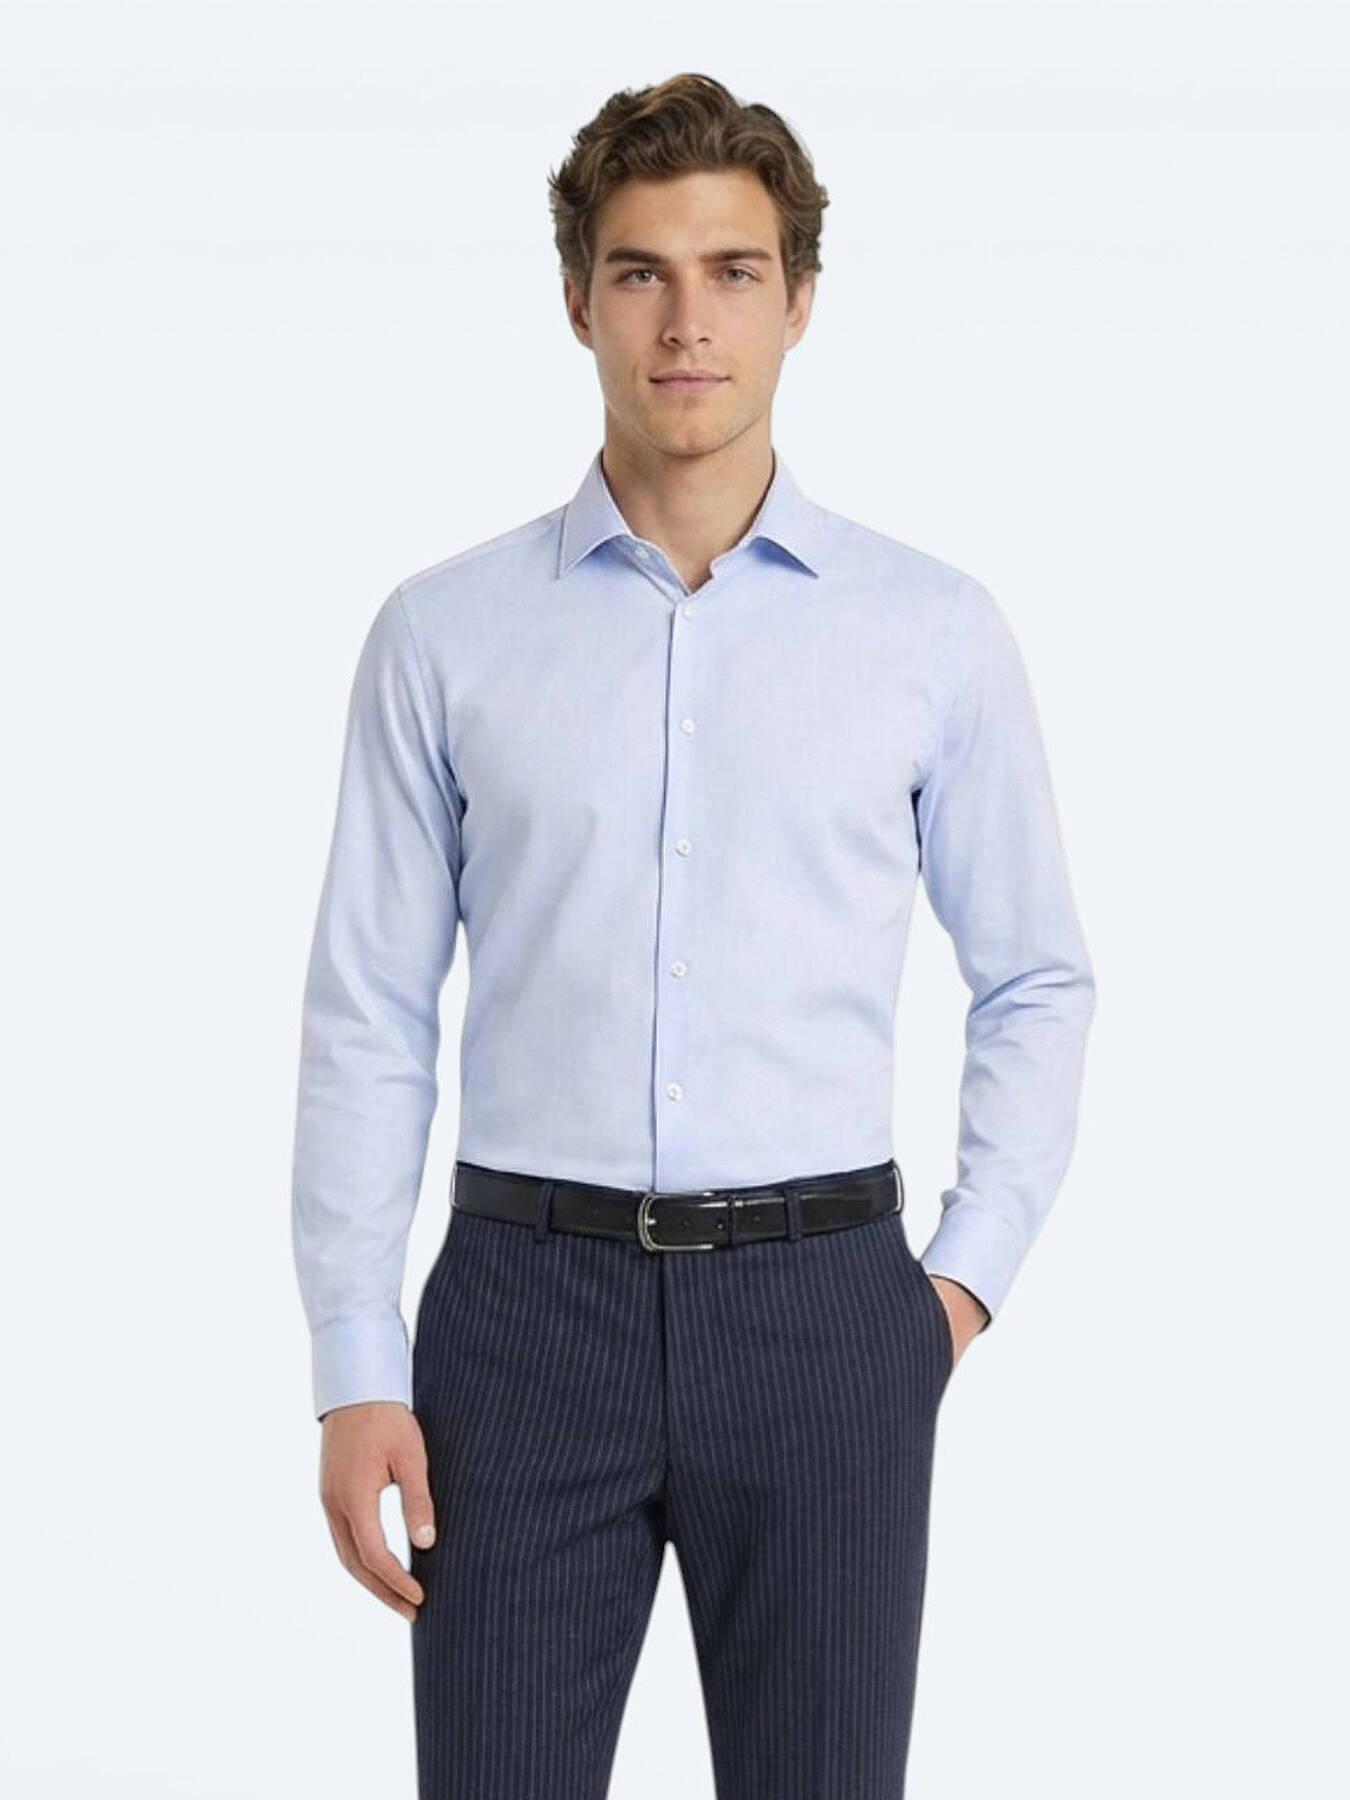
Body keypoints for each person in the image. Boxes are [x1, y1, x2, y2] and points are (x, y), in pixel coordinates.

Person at [290, 70, 1096, 1800]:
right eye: (640, 272)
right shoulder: (443, 635)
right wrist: (355, 1361)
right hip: (520, 1318)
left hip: (826, 1313)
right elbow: (368, 1012)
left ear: (798, 301)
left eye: (732, 272)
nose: (685, 322)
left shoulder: (930, 633)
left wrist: (953, 1289)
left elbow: (1034, 975)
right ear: (575, 297)